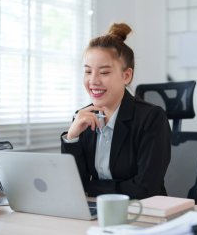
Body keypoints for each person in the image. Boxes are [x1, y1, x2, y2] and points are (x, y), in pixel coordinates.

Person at [61, 23, 171, 199]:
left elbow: (145, 188)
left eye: (104, 72)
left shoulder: (151, 118)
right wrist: (72, 137)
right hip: (97, 210)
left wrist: (93, 187)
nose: (93, 80)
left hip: (144, 213)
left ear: (126, 76)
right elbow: (74, 186)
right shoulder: (83, 117)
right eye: (88, 71)